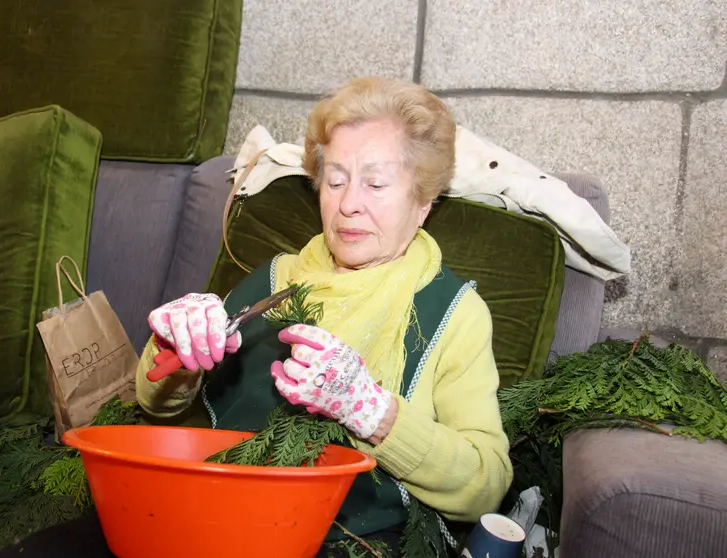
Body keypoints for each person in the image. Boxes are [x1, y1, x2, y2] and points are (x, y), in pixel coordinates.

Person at [137, 76, 513, 554]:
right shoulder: (275, 280)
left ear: (422, 203)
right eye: (335, 181)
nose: (348, 204)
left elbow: (486, 483)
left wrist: (372, 412)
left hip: (353, 540)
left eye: (375, 183)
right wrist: (174, 346)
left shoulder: (454, 314)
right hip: (217, 513)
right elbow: (158, 406)